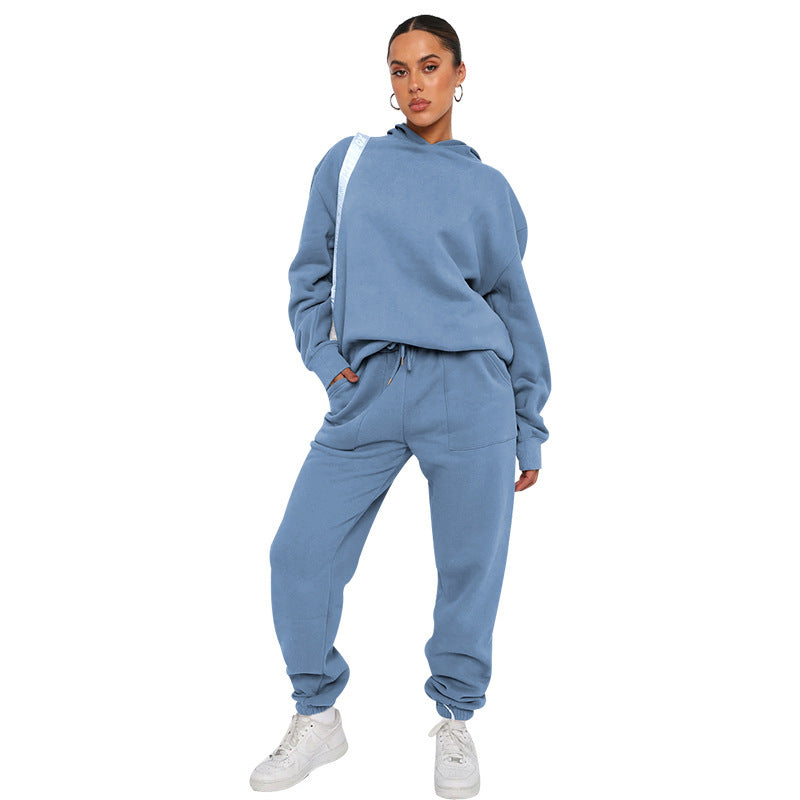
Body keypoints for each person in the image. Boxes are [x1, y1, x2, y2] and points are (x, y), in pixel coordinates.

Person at [250, 14, 551, 798]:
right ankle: (318, 715)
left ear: (460, 74)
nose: (414, 83)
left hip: (471, 391)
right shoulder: (349, 162)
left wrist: (528, 423)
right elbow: (308, 276)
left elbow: (513, 307)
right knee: (298, 553)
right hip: (370, 389)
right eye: (399, 69)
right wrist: (328, 364)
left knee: (469, 566)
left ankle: (456, 719)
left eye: (430, 65)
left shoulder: (488, 188)